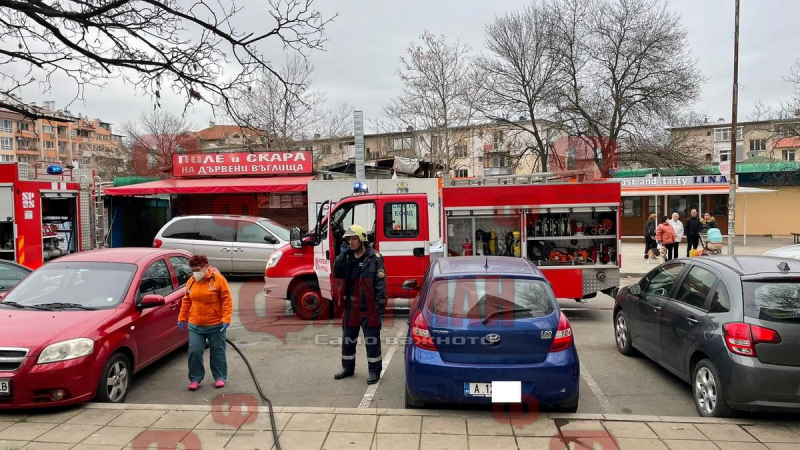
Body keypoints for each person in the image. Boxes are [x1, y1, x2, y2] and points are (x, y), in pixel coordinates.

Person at [333, 224, 387, 385]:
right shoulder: (347, 257)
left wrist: (379, 307)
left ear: (362, 239)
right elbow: (337, 272)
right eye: (348, 239)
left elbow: (380, 284)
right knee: (348, 339)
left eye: (353, 239)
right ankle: (348, 368)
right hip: (351, 306)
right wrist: (341, 256)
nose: (350, 242)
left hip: (369, 307)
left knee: (372, 340)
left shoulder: (375, 258)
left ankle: (374, 372)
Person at [178, 255, 233, 391]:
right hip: (195, 324)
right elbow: (186, 300)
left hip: (215, 324)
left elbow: (227, 300)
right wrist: (181, 317)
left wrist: (226, 319)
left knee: (217, 351)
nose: (195, 272)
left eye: (197, 269)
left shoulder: (218, 280)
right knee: (194, 351)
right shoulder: (191, 281)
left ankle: (220, 377)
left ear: (205, 267)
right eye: (193, 270)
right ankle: (195, 378)